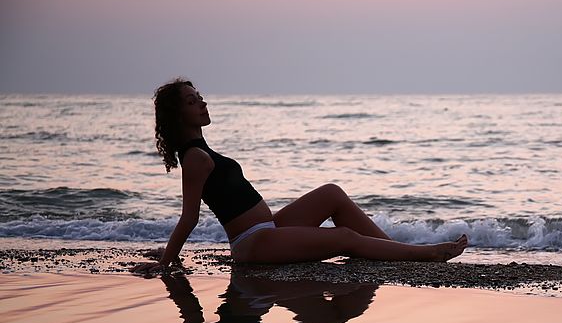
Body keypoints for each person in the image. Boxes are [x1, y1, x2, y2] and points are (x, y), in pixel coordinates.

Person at [133, 77, 468, 274]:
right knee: (344, 238)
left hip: (269, 229)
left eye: (200, 98)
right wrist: (166, 262)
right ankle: (427, 253)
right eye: (193, 102)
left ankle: (391, 249)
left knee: (332, 193)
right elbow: (189, 217)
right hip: (253, 244)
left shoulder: (202, 151)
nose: (203, 104)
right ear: (178, 116)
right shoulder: (194, 158)